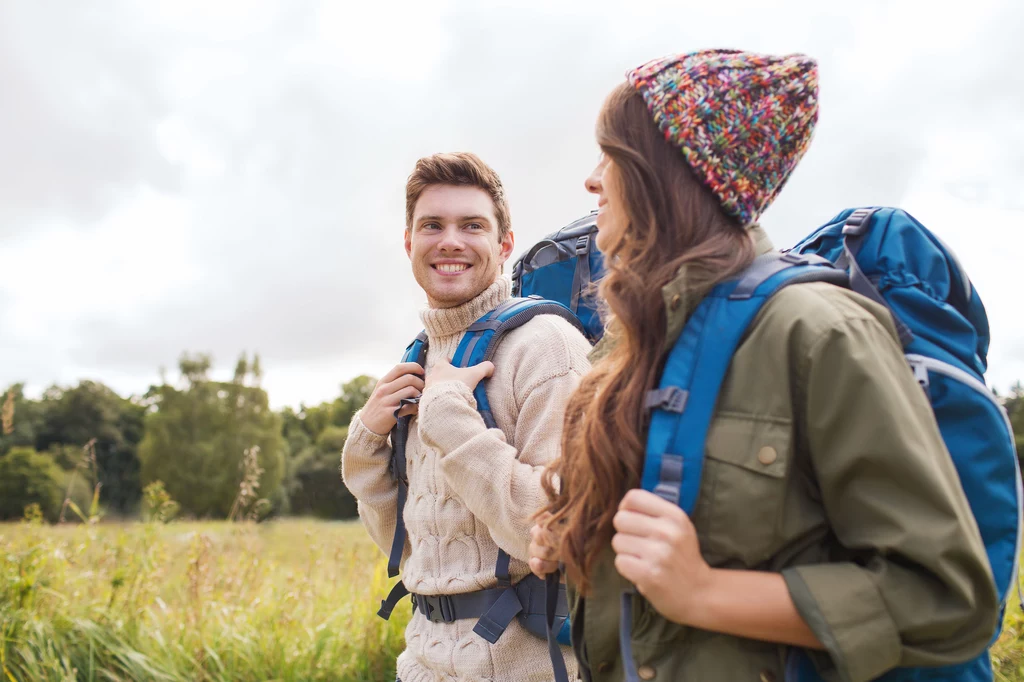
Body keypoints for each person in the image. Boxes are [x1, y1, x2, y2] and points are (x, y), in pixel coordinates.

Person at [528, 49, 999, 682]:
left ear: (670, 176)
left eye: (611, 155)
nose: (592, 180)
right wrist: (571, 538)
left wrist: (703, 593)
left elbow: (948, 600)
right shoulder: (628, 348)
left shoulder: (820, 331)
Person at [342, 152, 589, 682]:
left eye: (471, 225)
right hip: (423, 663)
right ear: (409, 242)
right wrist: (366, 444)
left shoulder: (547, 348)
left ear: (504, 244)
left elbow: (554, 532)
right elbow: (410, 549)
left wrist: (448, 418)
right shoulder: (418, 358)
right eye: (432, 225)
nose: (450, 241)